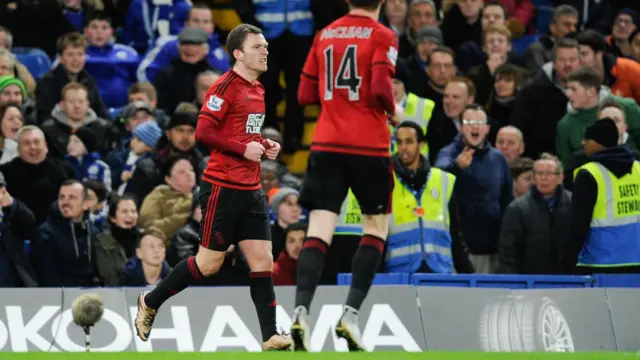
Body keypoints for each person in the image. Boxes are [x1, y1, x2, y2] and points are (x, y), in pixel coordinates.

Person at [133, 23, 291, 351]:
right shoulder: (224, 87)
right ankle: (151, 300)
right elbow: (204, 132)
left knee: (262, 260)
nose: (265, 51)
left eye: (265, 46)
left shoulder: (258, 89)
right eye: (257, 46)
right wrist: (242, 148)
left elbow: (244, 134)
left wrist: (262, 144)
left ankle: (269, 335)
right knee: (209, 264)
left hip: (251, 188)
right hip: (223, 186)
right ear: (238, 53)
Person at [293, 0, 400, 352]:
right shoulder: (383, 35)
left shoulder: (325, 34)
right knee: (375, 228)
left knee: (318, 230)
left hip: (326, 143)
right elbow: (382, 87)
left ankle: (300, 313)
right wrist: (394, 112)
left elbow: (304, 94)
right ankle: (349, 316)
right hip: (368, 145)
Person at [562, 118, 640, 274]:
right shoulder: (638, 168)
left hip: (598, 264)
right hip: (636, 262)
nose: (582, 143)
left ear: (600, 142)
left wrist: (565, 266)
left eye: (587, 139)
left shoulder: (589, 173)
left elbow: (578, 226)